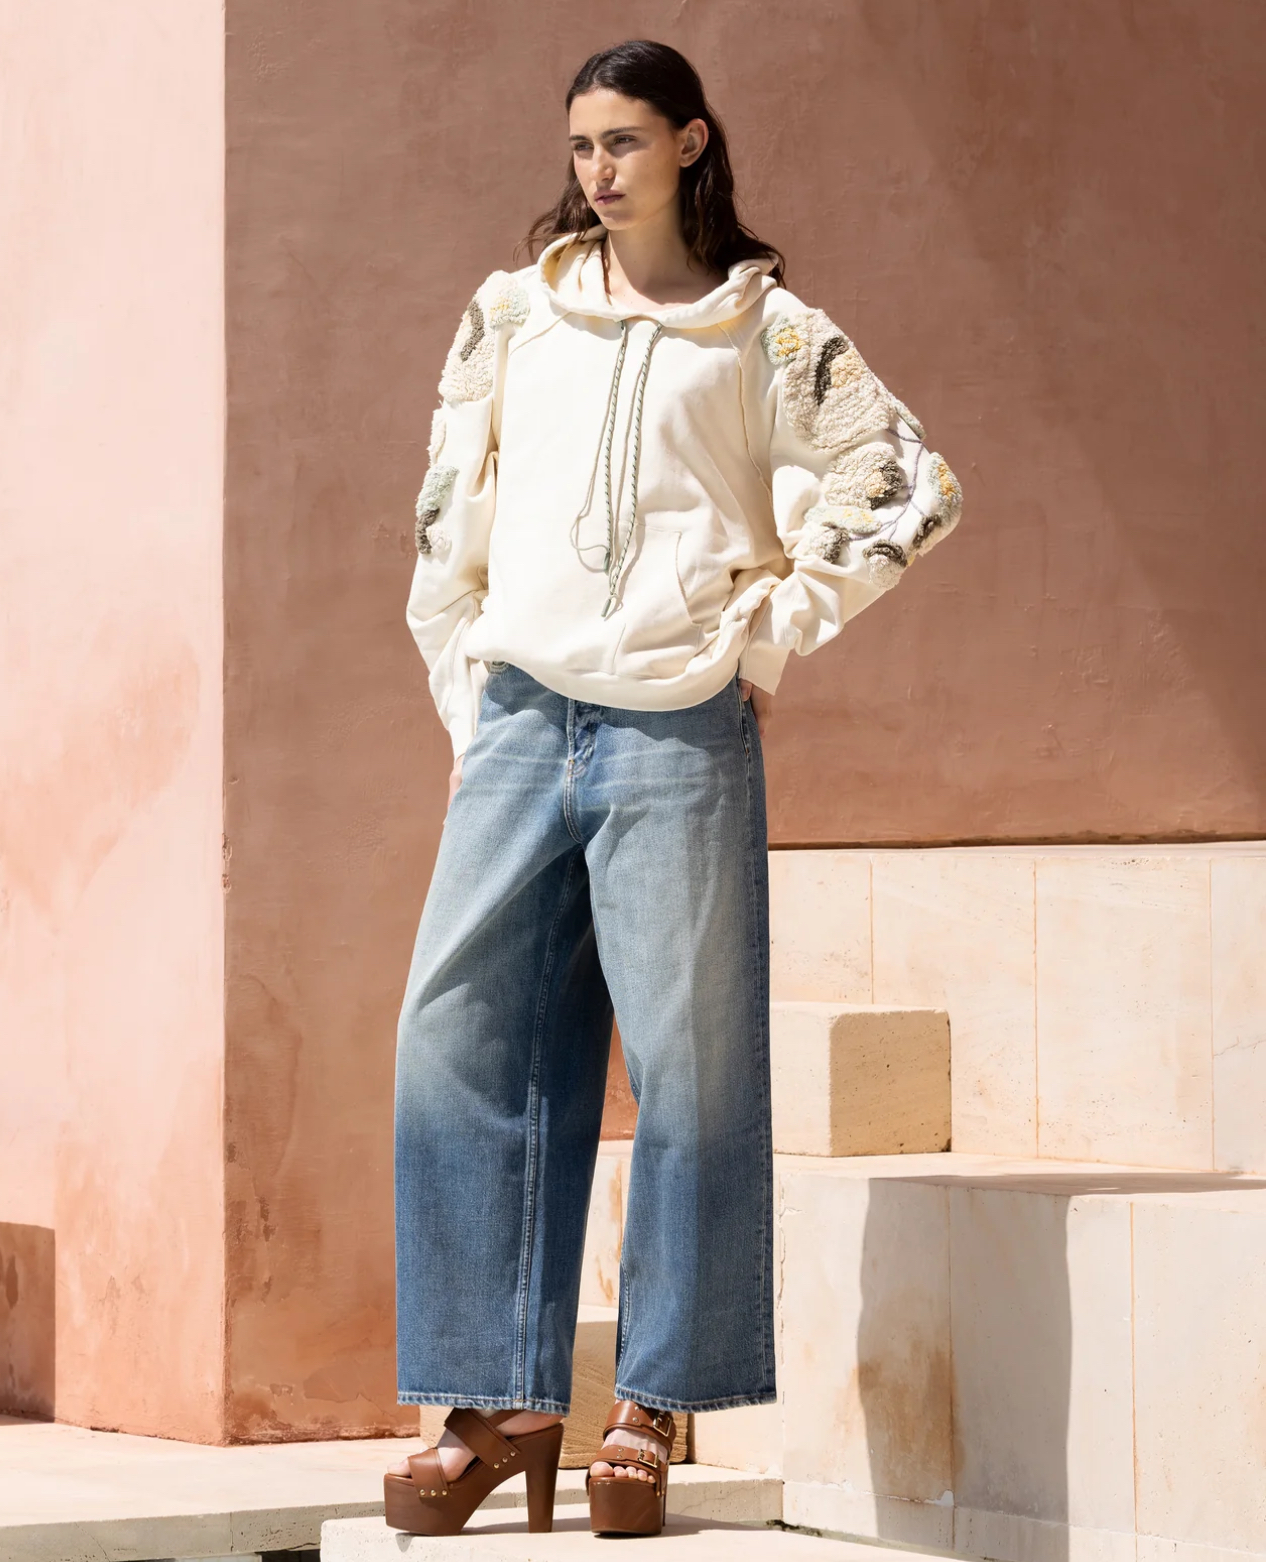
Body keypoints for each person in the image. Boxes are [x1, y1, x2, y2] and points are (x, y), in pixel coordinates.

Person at [384, 38, 962, 1541]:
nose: (598, 169)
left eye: (626, 141)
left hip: (677, 738)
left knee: (692, 1076)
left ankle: (649, 1408)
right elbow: (449, 512)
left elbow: (904, 483)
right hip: (520, 719)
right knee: (455, 1048)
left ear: (691, 143)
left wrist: (765, 634)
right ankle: (495, 1405)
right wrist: (468, 692)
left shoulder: (763, 332)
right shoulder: (515, 313)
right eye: (581, 143)